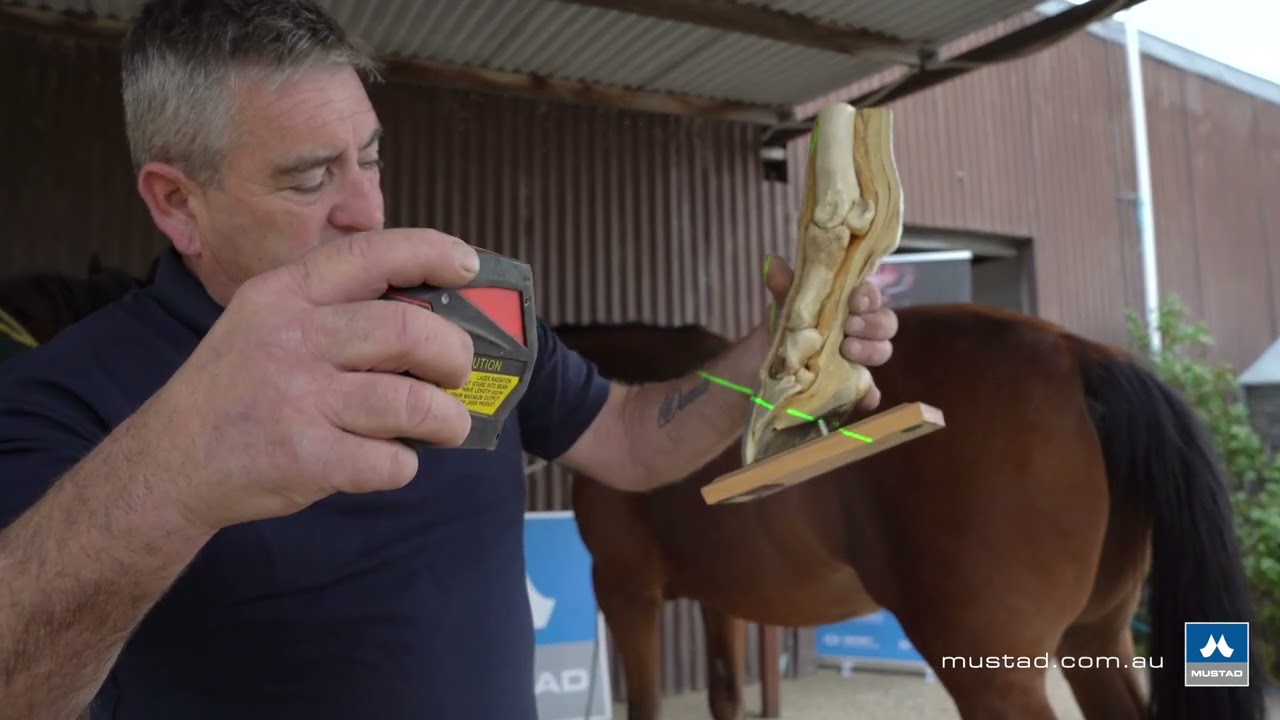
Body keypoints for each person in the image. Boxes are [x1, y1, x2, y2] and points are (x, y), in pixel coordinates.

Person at [0, 1, 898, 718]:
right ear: (176, 204)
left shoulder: (468, 315)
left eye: (372, 158)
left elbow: (630, 439)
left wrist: (775, 350)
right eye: (311, 178)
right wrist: (174, 469)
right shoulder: (69, 391)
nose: (365, 208)